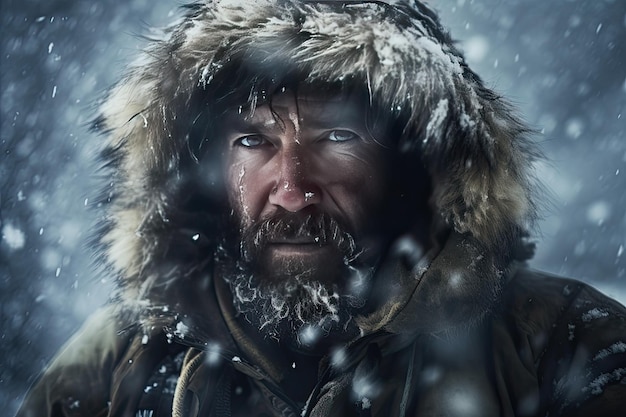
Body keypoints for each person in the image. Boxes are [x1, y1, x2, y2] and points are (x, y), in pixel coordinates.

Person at [17, 1, 626, 416]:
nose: (291, 189)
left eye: (337, 139)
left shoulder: (560, 343)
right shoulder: (119, 359)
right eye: (254, 141)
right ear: (205, 173)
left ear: (414, 165)